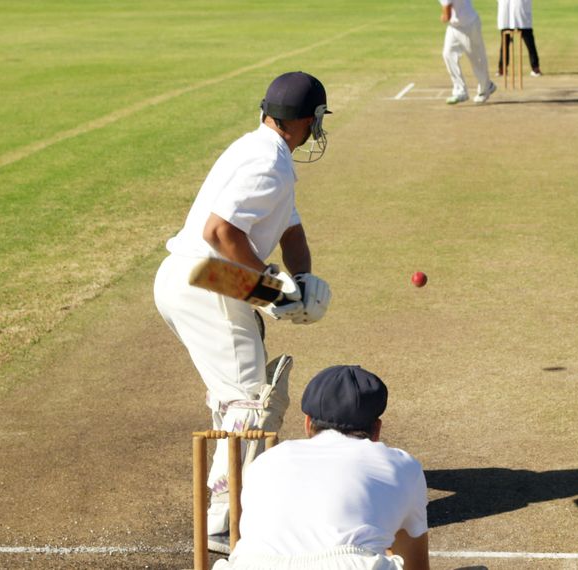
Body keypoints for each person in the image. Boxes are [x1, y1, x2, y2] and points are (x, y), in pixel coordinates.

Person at [153, 71, 334, 553]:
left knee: (236, 393)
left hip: (202, 276)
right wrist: (272, 286)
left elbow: (290, 231)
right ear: (308, 121)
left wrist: (304, 280)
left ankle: (229, 502)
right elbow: (220, 232)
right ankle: (221, 518)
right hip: (206, 277)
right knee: (252, 401)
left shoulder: (266, 152)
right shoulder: (266, 163)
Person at [217, 365, 430, 570]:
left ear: (308, 423)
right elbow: (415, 564)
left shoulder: (264, 462)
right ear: (377, 429)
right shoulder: (402, 466)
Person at [440, 0, 497, 105]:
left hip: (470, 25)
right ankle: (460, 91)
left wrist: (442, 17)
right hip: (455, 27)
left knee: (476, 59)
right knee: (448, 53)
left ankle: (485, 89)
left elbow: (446, 16)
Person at [497, 0, 542, 77]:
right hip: (506, 12)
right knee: (505, 43)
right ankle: (502, 68)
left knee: (529, 42)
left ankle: (535, 67)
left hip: (521, 11)